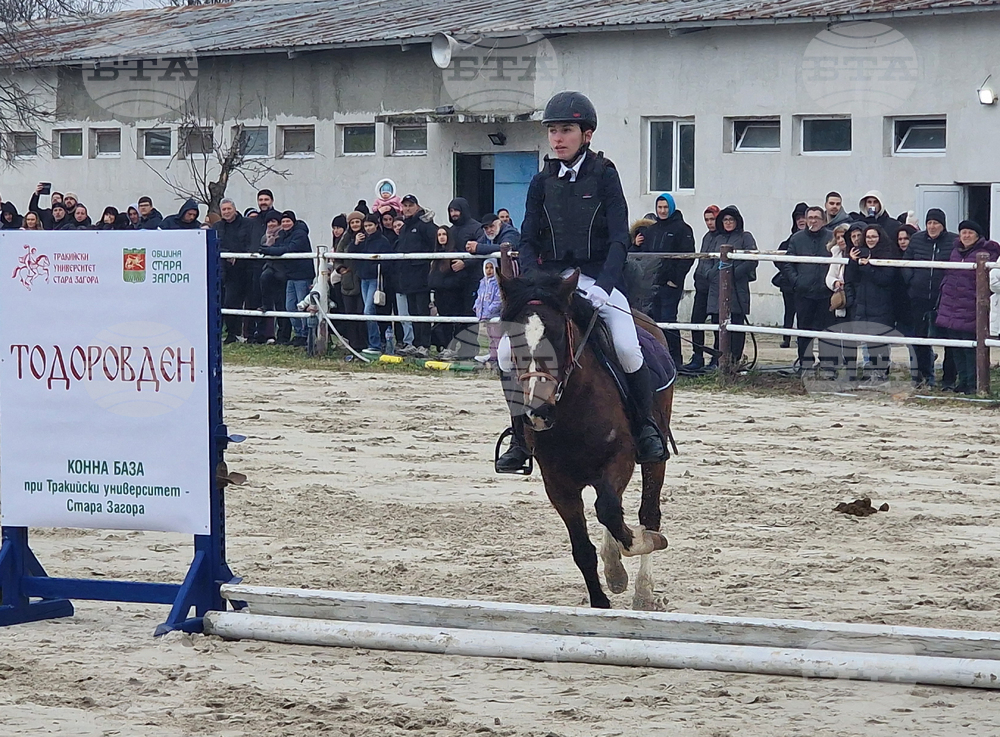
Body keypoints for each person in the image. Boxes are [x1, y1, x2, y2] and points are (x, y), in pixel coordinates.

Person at [496, 90, 668, 472]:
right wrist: (532, 285)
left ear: (586, 134)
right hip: (550, 283)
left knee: (626, 345)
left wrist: (605, 287)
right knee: (508, 353)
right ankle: (521, 439)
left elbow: (619, 238)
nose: (557, 138)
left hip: (595, 279)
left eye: (566, 130)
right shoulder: (541, 180)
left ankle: (644, 429)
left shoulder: (605, 175)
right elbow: (527, 239)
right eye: (552, 131)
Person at [935, 220, 1000, 394]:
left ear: (977, 235)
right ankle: (962, 381)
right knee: (956, 348)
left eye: (970, 233)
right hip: (951, 305)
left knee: (972, 349)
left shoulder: (986, 253)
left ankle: (973, 383)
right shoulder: (955, 251)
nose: (966, 236)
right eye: (963, 232)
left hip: (971, 306)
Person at [633, 192, 695, 366]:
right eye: (660, 207)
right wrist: (635, 245)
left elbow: (687, 256)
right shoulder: (652, 230)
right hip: (651, 286)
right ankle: (657, 359)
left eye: (665, 207)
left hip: (669, 286)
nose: (662, 211)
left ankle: (675, 360)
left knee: (669, 322)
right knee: (652, 322)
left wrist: (675, 279)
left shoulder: (682, 229)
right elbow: (642, 256)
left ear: (672, 207)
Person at [903, 209, 958, 388]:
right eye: (929, 223)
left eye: (936, 223)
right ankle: (923, 377)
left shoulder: (953, 241)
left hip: (944, 298)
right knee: (919, 338)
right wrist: (911, 281)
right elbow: (907, 262)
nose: (932, 227)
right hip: (918, 296)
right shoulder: (917, 239)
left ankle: (948, 379)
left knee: (948, 340)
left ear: (943, 225)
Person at [778, 206, 835, 372]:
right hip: (804, 293)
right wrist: (797, 282)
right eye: (810, 217)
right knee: (804, 331)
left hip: (826, 293)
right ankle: (806, 364)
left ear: (824, 220)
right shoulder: (796, 239)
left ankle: (827, 365)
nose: (814, 221)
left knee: (827, 332)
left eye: (817, 217)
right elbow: (788, 263)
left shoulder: (831, 237)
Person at [844, 225, 899, 382]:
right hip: (863, 303)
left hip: (882, 303)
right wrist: (853, 262)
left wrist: (867, 267)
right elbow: (850, 279)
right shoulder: (859, 253)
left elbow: (885, 279)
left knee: (880, 340)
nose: (870, 240)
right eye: (868, 237)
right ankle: (871, 370)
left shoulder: (888, 254)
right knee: (868, 340)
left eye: (874, 237)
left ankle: (881, 372)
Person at [705, 206, 758, 365]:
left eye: (731, 220)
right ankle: (718, 360)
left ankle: (734, 361)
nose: (728, 223)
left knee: (736, 327)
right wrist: (711, 274)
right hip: (716, 289)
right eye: (725, 219)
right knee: (717, 326)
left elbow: (752, 260)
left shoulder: (745, 237)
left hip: (737, 288)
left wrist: (731, 274)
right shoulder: (717, 238)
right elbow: (706, 259)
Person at [261, 211, 315, 348]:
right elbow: (279, 247)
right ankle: (298, 334)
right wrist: (270, 248)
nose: (285, 224)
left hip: (302, 275)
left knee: (302, 305)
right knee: (290, 306)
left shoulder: (300, 234)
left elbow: (289, 249)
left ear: (293, 221)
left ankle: (305, 335)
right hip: (291, 275)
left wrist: (268, 250)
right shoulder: (284, 235)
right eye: (283, 221)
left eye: (288, 221)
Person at [395, 194, 437, 357]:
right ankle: (415, 343)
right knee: (412, 311)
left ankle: (424, 345)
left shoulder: (425, 225)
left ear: (417, 206)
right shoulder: (405, 226)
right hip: (407, 276)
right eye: (405, 206)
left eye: (410, 205)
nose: (407, 208)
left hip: (421, 275)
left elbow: (434, 245)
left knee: (422, 311)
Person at [681, 205, 720, 374]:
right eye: (707, 220)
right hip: (702, 286)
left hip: (716, 288)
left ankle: (717, 358)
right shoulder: (706, 237)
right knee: (696, 322)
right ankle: (698, 356)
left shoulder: (722, 237)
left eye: (712, 219)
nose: (710, 223)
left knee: (718, 324)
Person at [429, 225, 473, 359]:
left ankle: (452, 348)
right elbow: (432, 278)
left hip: (453, 296)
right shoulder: (435, 256)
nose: (441, 237)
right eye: (439, 235)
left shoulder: (454, 254)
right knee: (444, 323)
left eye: (444, 234)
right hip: (440, 296)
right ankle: (446, 346)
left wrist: (442, 283)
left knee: (454, 322)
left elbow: (459, 278)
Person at [214, 198, 254, 344]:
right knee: (229, 302)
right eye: (223, 209)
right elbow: (215, 245)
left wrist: (238, 255)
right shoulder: (217, 226)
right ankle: (232, 333)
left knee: (252, 303)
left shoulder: (248, 224)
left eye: (228, 209)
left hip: (248, 268)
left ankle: (253, 335)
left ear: (235, 209)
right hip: (228, 271)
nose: (226, 212)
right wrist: (228, 254)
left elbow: (251, 243)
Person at [357, 213, 393, 355]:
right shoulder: (363, 240)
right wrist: (356, 243)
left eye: (370, 225)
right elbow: (352, 254)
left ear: (376, 225)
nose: (368, 228)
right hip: (364, 278)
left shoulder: (382, 241)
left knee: (368, 310)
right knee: (368, 311)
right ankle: (375, 342)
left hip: (375, 279)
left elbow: (387, 261)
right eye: (365, 226)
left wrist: (374, 268)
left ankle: (375, 344)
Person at [773, 202, 808, 348]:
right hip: (789, 283)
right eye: (797, 217)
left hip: (806, 283)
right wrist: (791, 273)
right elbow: (778, 259)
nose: (800, 220)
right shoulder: (788, 241)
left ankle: (802, 337)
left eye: (803, 217)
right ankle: (786, 337)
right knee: (789, 311)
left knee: (804, 312)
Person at [334, 211, 367, 350]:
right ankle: (353, 345)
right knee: (349, 315)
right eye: (352, 222)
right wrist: (340, 269)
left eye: (357, 222)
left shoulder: (367, 237)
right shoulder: (345, 238)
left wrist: (357, 243)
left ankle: (364, 344)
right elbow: (338, 256)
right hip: (347, 281)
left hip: (362, 280)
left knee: (362, 314)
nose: (355, 225)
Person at [258, 210, 287, 344]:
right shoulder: (265, 236)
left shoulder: (283, 234)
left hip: (282, 272)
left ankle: (284, 335)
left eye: (274, 221)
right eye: (269, 221)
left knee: (282, 305)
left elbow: (278, 250)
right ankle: (268, 333)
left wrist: (268, 250)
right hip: (270, 271)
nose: (271, 224)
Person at [474, 257, 502, 365]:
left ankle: (499, 356)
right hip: (485, 316)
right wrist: (477, 308)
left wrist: (489, 310)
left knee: (497, 336)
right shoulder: (482, 282)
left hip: (494, 316)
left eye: (491, 267)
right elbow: (479, 296)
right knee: (490, 337)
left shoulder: (497, 283)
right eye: (486, 268)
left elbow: (498, 300)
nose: (489, 270)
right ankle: (492, 355)